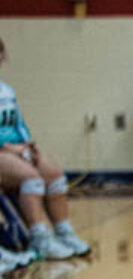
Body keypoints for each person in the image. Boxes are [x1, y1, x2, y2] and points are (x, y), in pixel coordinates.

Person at [0, 36, 92, 263]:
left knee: (54, 173)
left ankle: (63, 232)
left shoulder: (7, 91)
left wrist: (31, 145)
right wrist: (12, 149)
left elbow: (18, 124)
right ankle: (39, 237)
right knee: (31, 177)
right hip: (3, 150)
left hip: (16, 148)